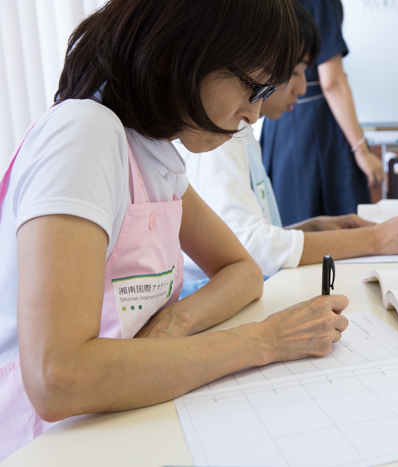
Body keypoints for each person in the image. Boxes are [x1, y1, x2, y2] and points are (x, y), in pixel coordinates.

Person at [0, 0, 350, 460]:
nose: (253, 115)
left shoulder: (152, 152)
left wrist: (172, 326)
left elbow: (240, 269)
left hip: (116, 412)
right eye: (252, 87)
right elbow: (58, 378)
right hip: (42, 439)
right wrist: (263, 341)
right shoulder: (84, 134)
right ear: (180, 51)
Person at [178, 0, 398, 282]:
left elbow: (244, 237)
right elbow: (253, 247)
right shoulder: (221, 136)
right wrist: (377, 239)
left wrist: (314, 227)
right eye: (294, 72)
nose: (301, 88)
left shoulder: (243, 132)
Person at [260, 0, 384, 226]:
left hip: (279, 122)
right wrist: (361, 149)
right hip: (315, 125)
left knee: (289, 221)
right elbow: (332, 83)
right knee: (339, 225)